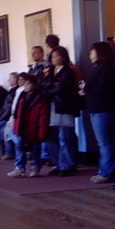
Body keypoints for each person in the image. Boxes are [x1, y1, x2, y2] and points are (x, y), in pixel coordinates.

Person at [79, 42, 115, 183]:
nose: (90, 55)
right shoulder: (101, 68)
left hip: (103, 109)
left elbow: (104, 90)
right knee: (106, 141)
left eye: (92, 52)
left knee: (104, 142)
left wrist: (86, 89)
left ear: (100, 52)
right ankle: (111, 169)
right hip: (99, 108)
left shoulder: (105, 69)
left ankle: (107, 172)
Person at [40, 46, 81, 176]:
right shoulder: (50, 71)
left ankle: (67, 164)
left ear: (63, 57)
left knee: (65, 136)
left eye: (57, 56)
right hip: (51, 106)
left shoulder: (68, 71)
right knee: (51, 137)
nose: (54, 59)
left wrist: (51, 88)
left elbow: (61, 88)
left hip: (64, 106)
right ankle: (58, 163)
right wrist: (51, 86)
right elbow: (42, 85)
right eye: (52, 56)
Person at [7, 74, 50, 178]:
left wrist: (42, 131)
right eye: (25, 84)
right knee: (20, 148)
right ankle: (19, 168)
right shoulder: (22, 96)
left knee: (36, 150)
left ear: (34, 85)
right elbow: (18, 112)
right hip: (22, 127)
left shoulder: (40, 98)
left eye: (28, 84)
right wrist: (16, 125)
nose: (25, 86)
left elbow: (43, 116)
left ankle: (36, 167)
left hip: (34, 128)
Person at [0, 72, 19, 159]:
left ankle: (6, 151)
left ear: (15, 81)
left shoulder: (15, 92)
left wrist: (1, 118)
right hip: (5, 115)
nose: (8, 81)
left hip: (9, 117)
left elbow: (10, 108)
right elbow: (4, 107)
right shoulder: (10, 91)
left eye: (10, 79)